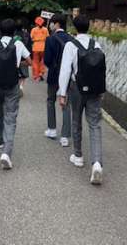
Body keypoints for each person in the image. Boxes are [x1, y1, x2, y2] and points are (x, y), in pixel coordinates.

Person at [58, 14, 105, 185]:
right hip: (94, 89)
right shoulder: (96, 45)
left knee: (76, 120)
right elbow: (101, 69)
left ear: (75, 28)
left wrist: (62, 93)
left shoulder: (71, 45)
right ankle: (97, 163)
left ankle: (78, 156)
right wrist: (101, 90)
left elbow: (65, 70)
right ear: (89, 27)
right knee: (95, 124)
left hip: (76, 88)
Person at [0, 18, 31, 169]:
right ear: (14, 31)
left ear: (0, 31)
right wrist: (17, 65)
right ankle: (6, 152)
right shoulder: (18, 44)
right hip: (12, 85)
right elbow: (29, 62)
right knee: (10, 117)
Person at [44, 13, 72, 147]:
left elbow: (47, 60)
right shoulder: (71, 39)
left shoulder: (50, 39)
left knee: (51, 100)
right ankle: (65, 136)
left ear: (56, 24)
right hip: (67, 76)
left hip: (54, 74)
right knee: (66, 104)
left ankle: (52, 129)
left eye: (51, 22)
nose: (50, 25)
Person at [14, 19, 32, 97]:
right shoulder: (26, 34)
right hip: (24, 57)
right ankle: (21, 87)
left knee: (15, 74)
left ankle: (16, 88)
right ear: (22, 27)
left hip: (14, 57)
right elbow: (30, 46)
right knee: (23, 74)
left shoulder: (12, 34)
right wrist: (30, 57)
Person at [30, 16, 49, 81]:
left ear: (36, 23)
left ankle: (36, 75)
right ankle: (41, 73)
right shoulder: (45, 29)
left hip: (35, 47)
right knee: (42, 61)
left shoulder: (33, 29)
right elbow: (48, 38)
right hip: (43, 46)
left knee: (35, 61)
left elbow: (31, 38)